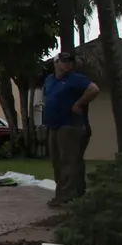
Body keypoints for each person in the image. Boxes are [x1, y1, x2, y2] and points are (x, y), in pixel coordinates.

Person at [43, 51, 99, 207]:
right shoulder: (49, 80)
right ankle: (76, 194)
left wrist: (78, 104)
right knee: (57, 161)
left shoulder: (76, 79)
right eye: (64, 61)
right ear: (56, 63)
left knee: (69, 161)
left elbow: (94, 89)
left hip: (70, 125)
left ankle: (65, 197)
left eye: (70, 61)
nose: (67, 64)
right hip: (54, 125)